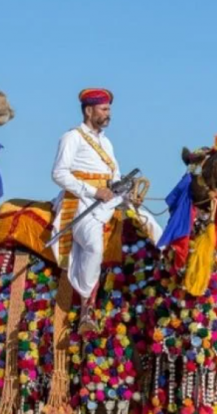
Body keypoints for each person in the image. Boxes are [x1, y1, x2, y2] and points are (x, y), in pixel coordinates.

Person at [50, 88, 160, 331]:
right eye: (104, 109)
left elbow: (115, 175)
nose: (108, 114)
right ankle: (87, 308)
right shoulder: (72, 137)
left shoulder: (106, 142)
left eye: (109, 109)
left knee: (147, 220)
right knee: (94, 246)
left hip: (110, 197)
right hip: (81, 201)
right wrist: (93, 191)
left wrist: (127, 193)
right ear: (89, 111)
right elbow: (58, 173)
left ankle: (170, 262)